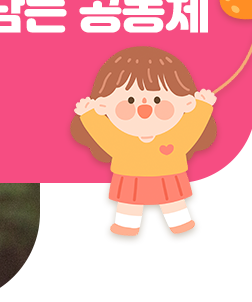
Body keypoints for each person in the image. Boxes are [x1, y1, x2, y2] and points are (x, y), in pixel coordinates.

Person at [72, 46, 217, 245]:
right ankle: (127, 228)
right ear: (104, 105)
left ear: (185, 103)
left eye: (158, 99)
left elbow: (192, 129)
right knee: (129, 207)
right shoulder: (122, 143)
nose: (144, 108)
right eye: (130, 100)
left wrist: (202, 107)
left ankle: (180, 225)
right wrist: (89, 116)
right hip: (134, 178)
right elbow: (104, 134)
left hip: (165, 175)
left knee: (173, 204)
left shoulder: (174, 138)